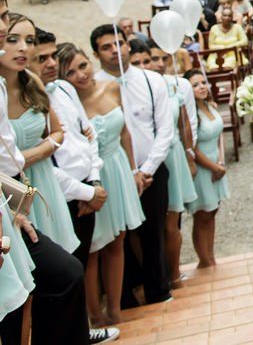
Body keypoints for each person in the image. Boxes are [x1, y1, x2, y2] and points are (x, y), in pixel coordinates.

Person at [57, 43, 144, 327]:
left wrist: (134, 170)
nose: (81, 74)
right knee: (93, 247)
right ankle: (95, 314)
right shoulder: (68, 105)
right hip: (94, 175)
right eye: (70, 72)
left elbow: (127, 133)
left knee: (118, 239)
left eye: (82, 65)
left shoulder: (112, 88)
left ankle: (116, 309)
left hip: (118, 167)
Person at [91, 24, 174, 306]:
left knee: (154, 232)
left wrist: (146, 169)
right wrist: (127, 174)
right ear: (96, 53)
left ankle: (158, 290)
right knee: (119, 238)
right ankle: (124, 296)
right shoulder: (92, 87)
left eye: (120, 43)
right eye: (106, 46)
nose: (115, 50)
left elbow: (165, 129)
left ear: (129, 45)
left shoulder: (152, 80)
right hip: (114, 174)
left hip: (151, 168)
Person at [2, 14, 80, 255]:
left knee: (63, 255)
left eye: (30, 40)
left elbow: (57, 132)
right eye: (13, 39)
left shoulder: (32, 81)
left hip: (42, 180)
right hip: (10, 186)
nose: (24, 48)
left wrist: (28, 155)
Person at [31, 30, 105, 270]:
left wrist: (93, 182)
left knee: (84, 262)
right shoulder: (28, 105)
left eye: (53, 56)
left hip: (87, 188)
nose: (53, 63)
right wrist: (86, 193)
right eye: (42, 59)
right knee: (67, 271)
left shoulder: (63, 87)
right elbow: (43, 164)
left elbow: (88, 135)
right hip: (61, 197)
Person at [145, 43, 197, 289]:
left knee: (173, 219)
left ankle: (174, 272)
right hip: (151, 155)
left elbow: (186, 124)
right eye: (150, 59)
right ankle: (158, 273)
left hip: (174, 151)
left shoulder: (176, 85)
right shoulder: (140, 86)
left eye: (160, 58)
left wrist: (189, 155)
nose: (156, 63)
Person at [185, 70, 228, 268]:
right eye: (195, 85)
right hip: (203, 166)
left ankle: (211, 255)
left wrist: (220, 162)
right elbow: (192, 147)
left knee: (213, 211)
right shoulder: (190, 114)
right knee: (202, 214)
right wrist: (213, 168)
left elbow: (219, 135)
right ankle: (204, 260)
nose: (201, 87)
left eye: (203, 82)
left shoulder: (210, 106)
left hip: (216, 161)